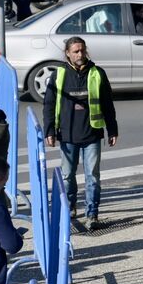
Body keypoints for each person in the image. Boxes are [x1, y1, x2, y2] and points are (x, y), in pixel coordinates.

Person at [43, 38, 118, 231]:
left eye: (82, 51)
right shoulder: (58, 75)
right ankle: (70, 207)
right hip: (67, 135)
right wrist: (50, 130)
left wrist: (112, 129)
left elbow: (108, 104)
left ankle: (92, 214)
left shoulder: (97, 73)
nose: (80, 54)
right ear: (67, 53)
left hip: (92, 135)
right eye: (75, 51)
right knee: (68, 176)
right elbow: (49, 105)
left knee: (92, 176)